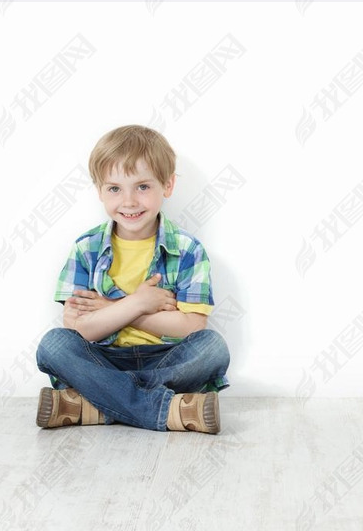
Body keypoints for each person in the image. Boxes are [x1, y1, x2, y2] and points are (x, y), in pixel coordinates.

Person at [35, 124, 230, 432]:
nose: (128, 201)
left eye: (142, 187)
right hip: (104, 358)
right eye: (114, 188)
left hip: (165, 358)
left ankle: (96, 402)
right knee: (55, 345)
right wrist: (139, 303)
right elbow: (79, 329)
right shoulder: (86, 248)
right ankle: (163, 408)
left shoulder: (187, 249)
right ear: (99, 191)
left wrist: (111, 309)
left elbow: (192, 326)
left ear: (167, 185)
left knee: (212, 348)